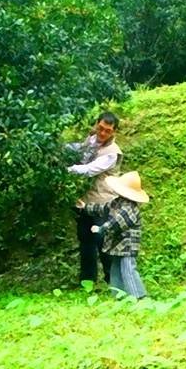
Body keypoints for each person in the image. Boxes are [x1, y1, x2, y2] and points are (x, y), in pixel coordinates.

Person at [68, 112, 123, 284]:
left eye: (107, 131)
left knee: (103, 241)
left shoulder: (112, 153)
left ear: (114, 132)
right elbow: (81, 150)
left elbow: (90, 169)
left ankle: (113, 281)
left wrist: (67, 169)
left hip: (103, 203)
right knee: (85, 240)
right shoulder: (91, 140)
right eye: (100, 128)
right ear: (96, 125)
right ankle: (87, 281)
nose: (102, 133)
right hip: (85, 202)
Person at [76, 171, 149, 299]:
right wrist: (85, 207)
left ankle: (138, 296)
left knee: (128, 270)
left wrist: (100, 229)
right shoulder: (117, 202)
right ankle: (119, 295)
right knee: (115, 270)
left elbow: (116, 223)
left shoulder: (130, 208)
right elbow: (103, 208)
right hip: (117, 245)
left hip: (127, 246)